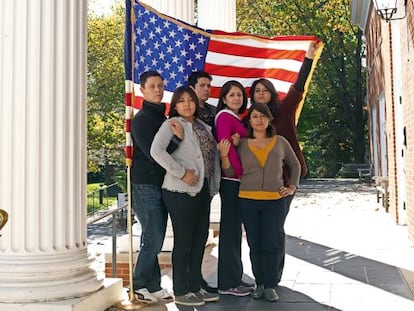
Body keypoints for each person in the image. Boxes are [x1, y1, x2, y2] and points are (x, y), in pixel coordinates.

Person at [249, 41, 319, 283]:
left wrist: (308, 58)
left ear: (271, 93)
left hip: (285, 182)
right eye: (256, 91)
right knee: (258, 233)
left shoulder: (284, 110)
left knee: (274, 230)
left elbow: (298, 87)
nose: (260, 94)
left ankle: (273, 278)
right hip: (256, 187)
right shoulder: (249, 119)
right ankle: (261, 278)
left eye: (264, 90)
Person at [218, 103, 300, 302]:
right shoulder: (243, 144)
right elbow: (230, 172)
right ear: (250, 120)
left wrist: (292, 187)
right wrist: (224, 154)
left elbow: (295, 164)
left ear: (269, 119)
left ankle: (271, 285)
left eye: (263, 116)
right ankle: (260, 284)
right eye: (255, 116)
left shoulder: (279, 142)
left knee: (271, 243)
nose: (259, 120)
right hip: (247, 200)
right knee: (255, 245)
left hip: (274, 201)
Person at [150, 86, 221, 307]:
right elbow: (156, 151)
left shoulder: (204, 127)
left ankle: (196, 284)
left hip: (203, 190)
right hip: (179, 191)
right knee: (184, 241)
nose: (187, 104)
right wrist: (181, 173)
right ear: (175, 105)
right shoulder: (171, 125)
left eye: (190, 100)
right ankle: (181, 289)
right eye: (181, 101)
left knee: (200, 239)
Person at [130, 71, 182, 303]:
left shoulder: (162, 117)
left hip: (160, 184)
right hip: (144, 185)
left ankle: (153, 284)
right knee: (153, 237)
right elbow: (155, 155)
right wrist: (177, 140)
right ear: (142, 90)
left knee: (155, 237)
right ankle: (139, 284)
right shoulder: (142, 120)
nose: (157, 90)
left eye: (160, 86)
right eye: (152, 86)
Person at [214, 80, 253, 296]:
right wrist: (231, 172)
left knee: (235, 232)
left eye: (239, 94)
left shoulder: (236, 118)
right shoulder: (224, 117)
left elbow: (234, 145)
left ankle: (235, 278)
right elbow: (224, 147)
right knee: (230, 233)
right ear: (224, 99)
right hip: (231, 182)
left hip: (238, 181)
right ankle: (227, 283)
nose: (237, 98)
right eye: (232, 95)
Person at [186, 70, 218, 294]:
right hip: (185, 182)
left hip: (206, 179)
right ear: (192, 87)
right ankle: (185, 282)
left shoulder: (214, 113)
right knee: (187, 235)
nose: (207, 89)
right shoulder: (181, 111)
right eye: (203, 85)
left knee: (200, 235)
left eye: (208, 85)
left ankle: (197, 279)